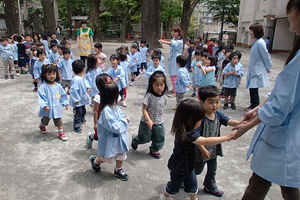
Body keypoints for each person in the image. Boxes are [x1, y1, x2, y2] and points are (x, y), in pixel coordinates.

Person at [231, 1, 300, 199]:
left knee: (262, 184)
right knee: (286, 183)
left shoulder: (295, 59)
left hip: (284, 134)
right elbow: (282, 95)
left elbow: (280, 106)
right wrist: (260, 107)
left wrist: (249, 123)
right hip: (287, 133)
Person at [159, 99, 235, 200]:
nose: (201, 122)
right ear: (190, 120)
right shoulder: (188, 134)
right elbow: (206, 141)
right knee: (173, 188)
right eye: (200, 120)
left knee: (193, 187)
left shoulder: (184, 129)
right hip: (178, 168)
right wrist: (227, 137)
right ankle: (165, 196)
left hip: (189, 167)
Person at [194, 86, 241, 197]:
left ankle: (210, 186)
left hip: (213, 149)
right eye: (210, 102)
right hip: (200, 151)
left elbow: (229, 121)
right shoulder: (199, 118)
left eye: (217, 102)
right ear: (201, 103)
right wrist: (203, 150)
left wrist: (241, 123)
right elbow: (195, 138)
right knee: (196, 170)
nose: (215, 105)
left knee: (212, 170)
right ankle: (183, 179)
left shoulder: (218, 115)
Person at [89, 80, 130, 181]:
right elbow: (114, 127)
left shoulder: (114, 106)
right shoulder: (106, 112)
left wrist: (124, 116)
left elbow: (120, 114)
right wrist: (124, 121)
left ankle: (118, 169)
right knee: (108, 158)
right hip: (110, 140)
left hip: (119, 138)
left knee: (121, 154)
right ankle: (95, 161)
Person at [131, 71, 168, 159]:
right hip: (146, 122)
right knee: (144, 138)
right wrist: (148, 119)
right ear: (151, 85)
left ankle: (154, 150)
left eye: (161, 85)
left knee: (159, 138)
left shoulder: (164, 97)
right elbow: (144, 109)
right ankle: (135, 140)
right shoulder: (149, 96)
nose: (159, 88)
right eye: (156, 85)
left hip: (159, 122)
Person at [38, 64, 69, 141]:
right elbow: (41, 96)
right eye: (49, 74)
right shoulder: (43, 87)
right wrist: (44, 105)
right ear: (45, 75)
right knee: (46, 119)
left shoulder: (58, 86)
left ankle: (61, 133)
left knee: (58, 120)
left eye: (54, 74)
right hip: (47, 109)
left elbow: (62, 95)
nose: (52, 76)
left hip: (56, 108)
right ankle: (42, 125)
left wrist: (65, 103)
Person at [245, 22, 272, 111]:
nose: (250, 33)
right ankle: (252, 104)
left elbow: (266, 56)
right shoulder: (256, 42)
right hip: (254, 69)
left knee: (254, 89)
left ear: (256, 31)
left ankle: (255, 107)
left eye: (251, 31)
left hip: (257, 70)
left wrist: (268, 67)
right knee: (252, 88)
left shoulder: (260, 43)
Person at [86, 74, 113, 149]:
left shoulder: (113, 94)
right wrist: (95, 123)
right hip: (101, 120)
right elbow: (95, 111)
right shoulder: (98, 97)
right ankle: (91, 136)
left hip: (111, 118)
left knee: (110, 134)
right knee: (99, 136)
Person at [159, 26, 183, 95]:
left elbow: (172, 44)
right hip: (173, 59)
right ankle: (174, 89)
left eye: (175, 32)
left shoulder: (179, 41)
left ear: (179, 33)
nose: (173, 33)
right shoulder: (174, 39)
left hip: (177, 60)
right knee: (172, 74)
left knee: (174, 74)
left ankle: (175, 91)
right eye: (172, 31)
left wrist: (164, 42)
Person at [69, 60, 90, 133]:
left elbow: (84, 84)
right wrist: (76, 99)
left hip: (82, 99)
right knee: (78, 112)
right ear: (83, 69)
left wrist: (87, 87)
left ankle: (82, 118)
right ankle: (76, 125)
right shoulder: (76, 79)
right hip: (78, 100)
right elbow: (73, 90)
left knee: (83, 110)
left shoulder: (80, 78)